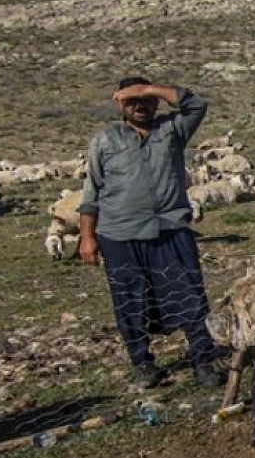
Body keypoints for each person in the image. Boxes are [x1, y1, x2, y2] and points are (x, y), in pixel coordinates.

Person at [77, 77, 225, 390]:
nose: (140, 106)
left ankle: (203, 360)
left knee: (190, 298)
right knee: (130, 300)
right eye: (131, 102)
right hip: (120, 235)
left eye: (145, 100)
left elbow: (196, 104)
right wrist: (87, 237)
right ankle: (143, 364)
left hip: (170, 230)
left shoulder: (172, 130)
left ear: (155, 101)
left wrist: (150, 88)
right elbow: (91, 193)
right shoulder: (105, 140)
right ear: (120, 105)